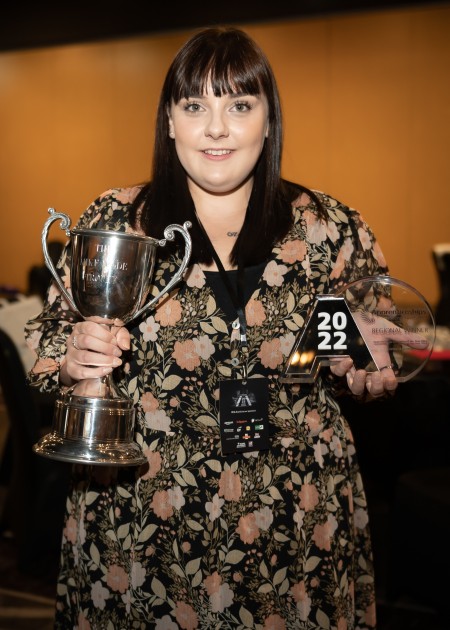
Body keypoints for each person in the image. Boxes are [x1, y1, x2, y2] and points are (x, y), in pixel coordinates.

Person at [25, 26, 398, 629]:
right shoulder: (119, 221)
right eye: (194, 105)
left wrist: (360, 368)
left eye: (239, 105)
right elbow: (49, 354)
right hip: (145, 522)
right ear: (170, 122)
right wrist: (73, 359)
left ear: (268, 120)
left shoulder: (328, 228)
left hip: (297, 521)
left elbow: (341, 348)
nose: (216, 128)